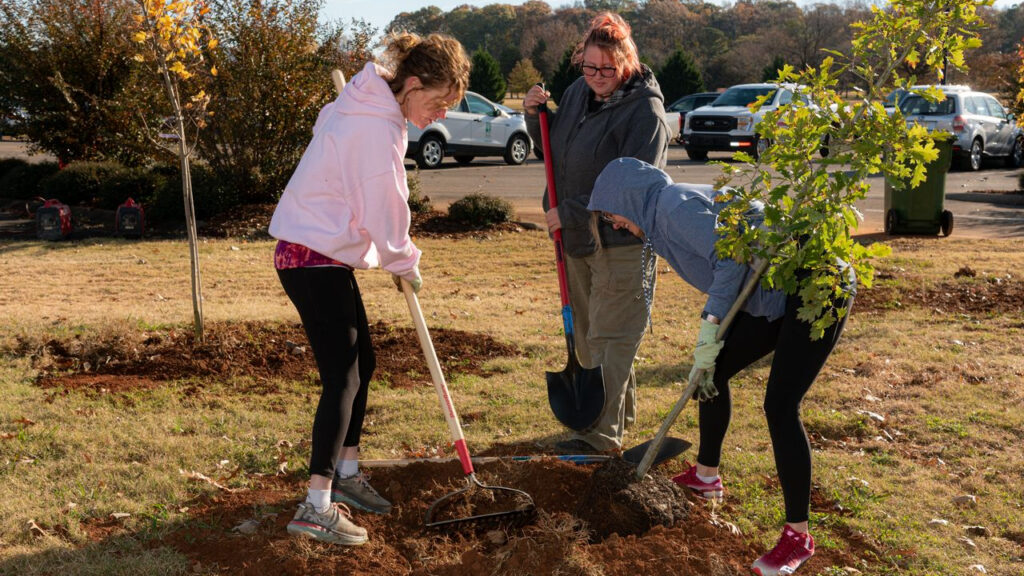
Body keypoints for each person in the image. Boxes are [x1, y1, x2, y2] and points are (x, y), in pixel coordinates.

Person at [588, 157, 856, 576]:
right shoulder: (660, 219)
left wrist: (710, 327)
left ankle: (797, 537)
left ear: (628, 195)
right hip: (771, 289)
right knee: (708, 376)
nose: (614, 223)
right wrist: (711, 342)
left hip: (814, 286)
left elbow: (730, 262)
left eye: (610, 212)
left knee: (780, 407)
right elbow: (732, 260)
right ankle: (706, 477)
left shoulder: (671, 207)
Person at [268, 32, 470, 545]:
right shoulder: (375, 127)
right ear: (414, 83)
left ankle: (348, 472)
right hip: (312, 254)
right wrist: (404, 259)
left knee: (364, 365)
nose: (441, 114)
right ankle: (316, 505)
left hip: (317, 252)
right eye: (438, 102)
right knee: (342, 377)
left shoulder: (368, 104)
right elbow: (383, 206)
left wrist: (396, 255)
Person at [522, 12, 670, 454]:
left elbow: (633, 189)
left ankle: (599, 437)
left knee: (612, 339)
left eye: (608, 69)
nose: (598, 77)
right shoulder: (575, 94)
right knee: (590, 340)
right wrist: (535, 116)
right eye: (589, 67)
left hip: (622, 246)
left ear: (628, 62)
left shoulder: (646, 113)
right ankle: (610, 423)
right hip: (578, 243)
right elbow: (557, 148)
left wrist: (567, 212)